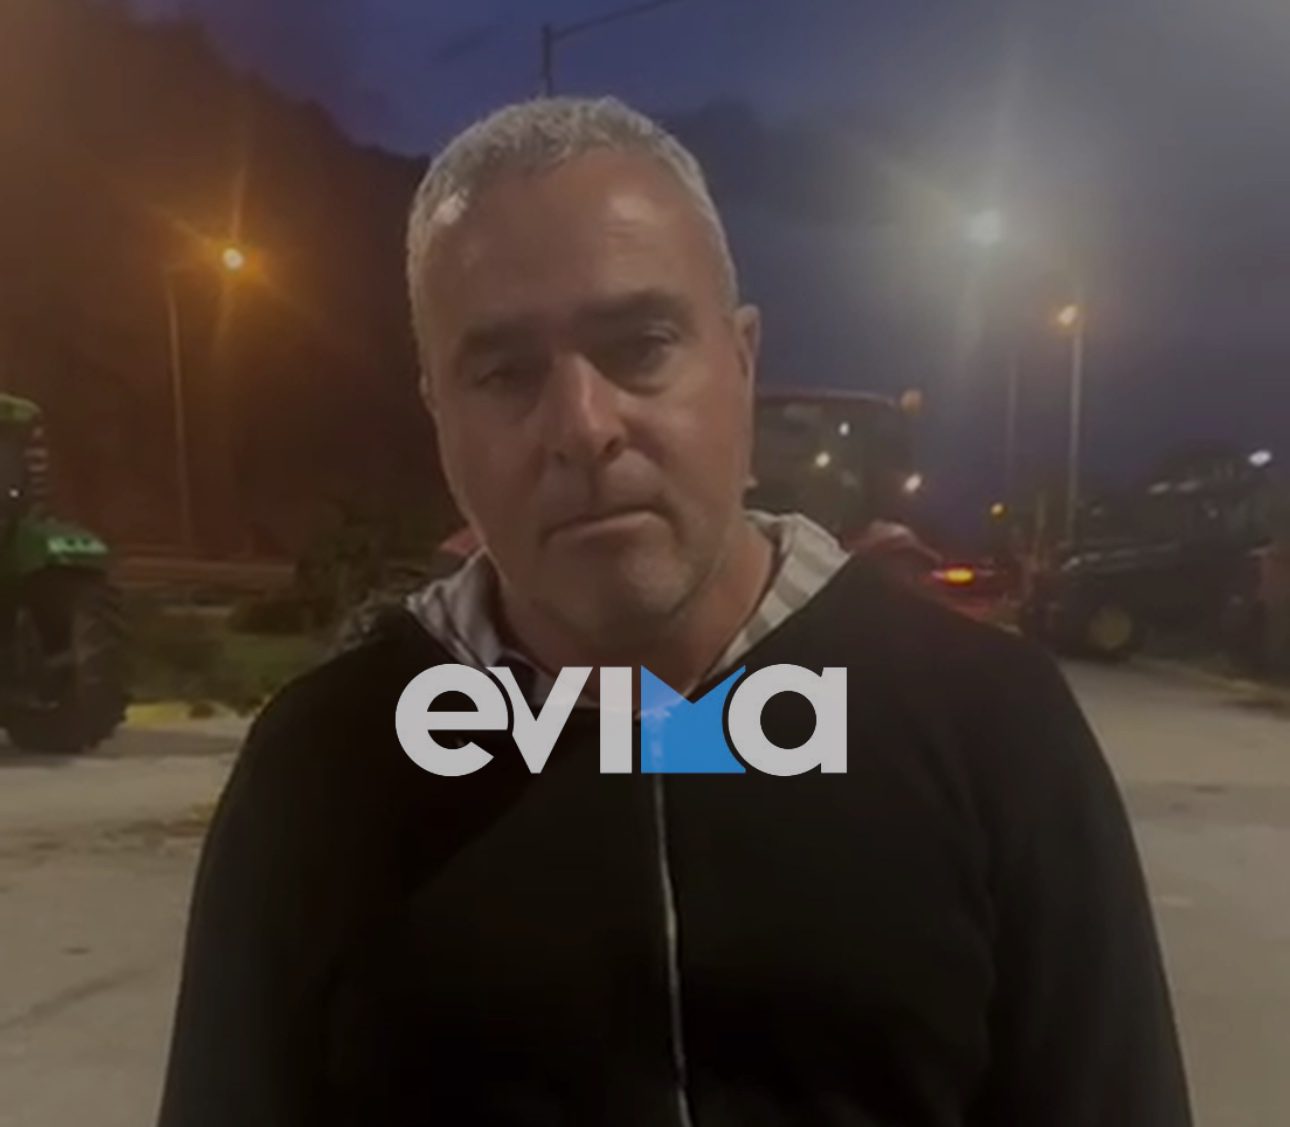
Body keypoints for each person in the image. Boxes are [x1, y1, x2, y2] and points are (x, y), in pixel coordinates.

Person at [158, 97, 1192, 1126]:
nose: (582, 425)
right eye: (505, 372)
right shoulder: (322, 767)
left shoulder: (991, 729)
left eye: (641, 344)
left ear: (741, 362)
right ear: (439, 414)